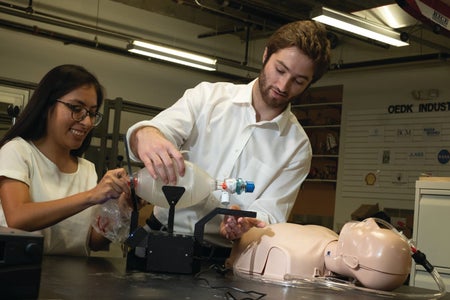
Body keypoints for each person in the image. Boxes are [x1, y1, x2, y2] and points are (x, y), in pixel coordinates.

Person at [126, 20, 331, 246]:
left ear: (309, 83)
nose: (283, 85)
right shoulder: (208, 98)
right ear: (265, 56)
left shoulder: (297, 147)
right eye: (280, 70)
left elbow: (270, 213)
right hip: (162, 235)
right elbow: (155, 132)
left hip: (226, 256)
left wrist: (247, 222)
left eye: (298, 81)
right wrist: (145, 133)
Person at [0, 64, 131, 256]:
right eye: (76, 108)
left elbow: (93, 241)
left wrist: (122, 207)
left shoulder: (87, 169)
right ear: (47, 106)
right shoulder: (18, 151)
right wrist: (92, 195)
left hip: (71, 281)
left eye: (92, 113)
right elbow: (18, 218)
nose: (86, 122)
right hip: (20, 276)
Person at [227, 218, 412, 291]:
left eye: (366, 235)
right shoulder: (330, 235)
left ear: (353, 262)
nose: (369, 221)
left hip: (244, 244)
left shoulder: (295, 258)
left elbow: (240, 263)